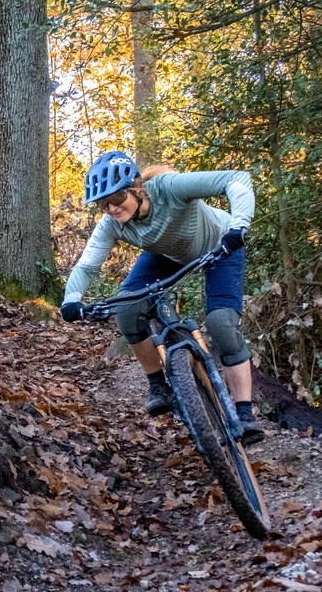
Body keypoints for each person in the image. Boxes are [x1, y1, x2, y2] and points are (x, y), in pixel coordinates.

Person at [60, 150, 264, 445]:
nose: (112, 209)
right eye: (104, 205)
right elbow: (88, 264)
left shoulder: (169, 187)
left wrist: (239, 226)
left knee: (221, 324)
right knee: (127, 309)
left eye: (117, 199)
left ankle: (244, 416)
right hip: (167, 254)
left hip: (221, 248)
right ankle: (158, 385)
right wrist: (71, 299)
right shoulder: (112, 224)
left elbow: (236, 179)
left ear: (136, 188)